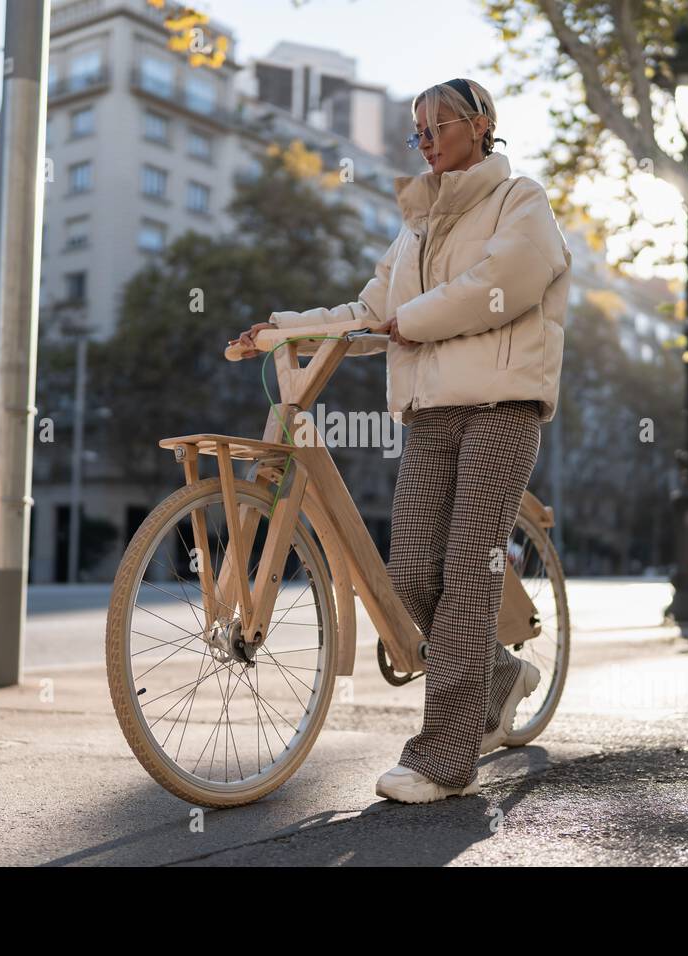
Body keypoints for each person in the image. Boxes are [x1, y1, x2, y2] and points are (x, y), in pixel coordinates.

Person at [229, 78, 572, 804]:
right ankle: (503, 674)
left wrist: (407, 320)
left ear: (481, 125)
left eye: (436, 123)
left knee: (469, 570)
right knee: (413, 572)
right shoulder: (413, 230)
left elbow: (499, 284)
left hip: (503, 409)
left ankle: (444, 758)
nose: (422, 137)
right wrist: (281, 329)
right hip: (429, 414)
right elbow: (368, 311)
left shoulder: (522, 202)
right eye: (414, 127)